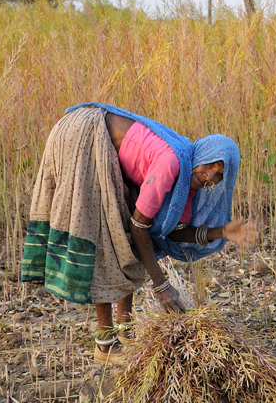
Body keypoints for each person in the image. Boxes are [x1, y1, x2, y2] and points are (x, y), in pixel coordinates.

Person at [20, 103, 259, 365]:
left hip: (101, 144)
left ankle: (125, 330)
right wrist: (162, 286)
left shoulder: (187, 184)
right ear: (202, 153)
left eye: (219, 174)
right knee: (105, 236)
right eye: (211, 165)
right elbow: (140, 226)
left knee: (127, 236)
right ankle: (105, 345)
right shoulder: (171, 164)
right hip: (84, 134)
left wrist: (221, 231)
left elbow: (175, 231)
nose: (210, 175)